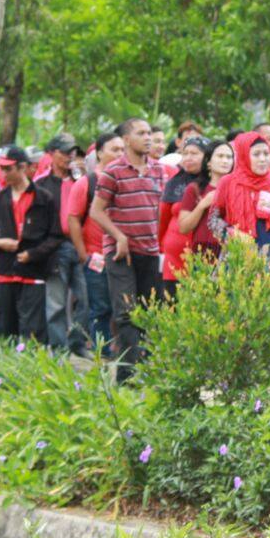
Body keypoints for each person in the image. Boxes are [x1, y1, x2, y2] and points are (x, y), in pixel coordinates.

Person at [90, 118, 166, 382]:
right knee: (125, 312)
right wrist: (119, 236)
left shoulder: (159, 170)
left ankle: (144, 369)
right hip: (121, 252)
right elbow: (96, 211)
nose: (148, 138)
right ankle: (127, 375)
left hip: (150, 250)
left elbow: (162, 211)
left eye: (149, 133)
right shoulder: (113, 171)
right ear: (125, 139)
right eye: (141, 133)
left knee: (147, 311)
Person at [0, 145, 63, 342]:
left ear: (23, 168)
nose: (3, 174)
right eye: (1, 169)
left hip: (32, 272)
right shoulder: (0, 197)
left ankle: (32, 370)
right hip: (4, 272)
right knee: (4, 330)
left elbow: (55, 236)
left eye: (8, 169)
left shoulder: (44, 198)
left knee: (33, 331)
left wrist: (33, 254)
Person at [67, 131, 124, 358]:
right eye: (114, 150)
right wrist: (84, 255)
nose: (120, 154)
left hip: (121, 256)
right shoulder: (87, 183)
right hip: (96, 257)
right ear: (99, 153)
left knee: (120, 308)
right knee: (100, 307)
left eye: (122, 150)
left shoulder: (125, 180)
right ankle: (103, 352)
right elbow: (73, 218)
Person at [210, 130, 270, 281]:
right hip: (238, 256)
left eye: (266, 154)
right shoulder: (228, 182)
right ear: (243, 155)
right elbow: (213, 220)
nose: (262, 159)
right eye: (256, 154)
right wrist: (232, 233)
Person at [37, 135, 86, 353]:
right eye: (65, 152)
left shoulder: (80, 180)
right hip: (54, 247)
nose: (70, 157)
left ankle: (77, 343)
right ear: (52, 153)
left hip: (81, 244)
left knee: (86, 298)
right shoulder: (41, 183)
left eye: (72, 153)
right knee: (55, 301)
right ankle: (58, 348)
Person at [159, 136, 208, 299]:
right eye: (185, 153)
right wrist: (161, 248)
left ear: (207, 156)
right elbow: (162, 220)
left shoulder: (214, 184)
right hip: (174, 259)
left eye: (194, 153)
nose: (188, 158)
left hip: (203, 259)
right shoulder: (174, 183)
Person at [179, 140, 232, 258]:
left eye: (229, 157)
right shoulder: (195, 189)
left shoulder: (237, 190)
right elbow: (183, 228)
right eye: (220, 156)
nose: (225, 161)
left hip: (231, 252)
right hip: (202, 252)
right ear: (208, 162)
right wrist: (202, 204)